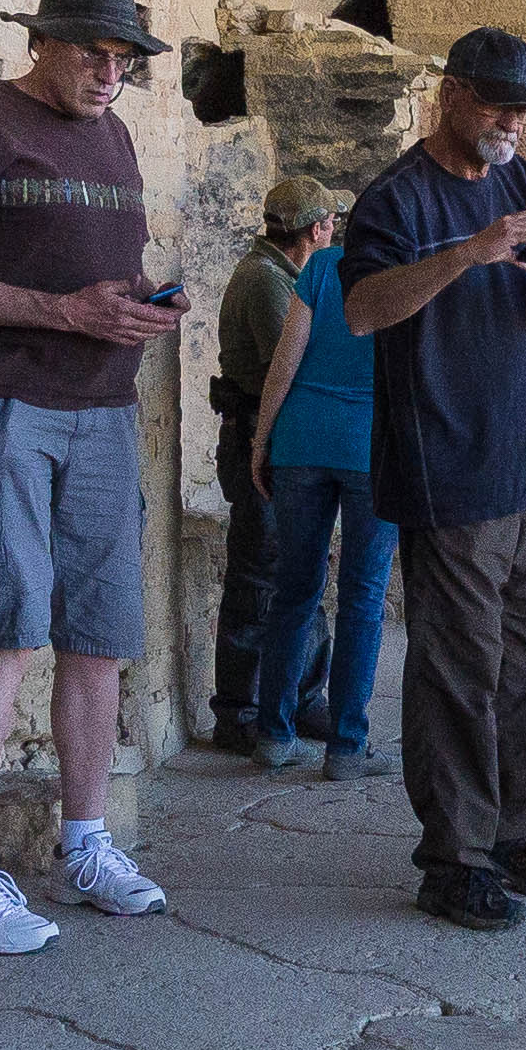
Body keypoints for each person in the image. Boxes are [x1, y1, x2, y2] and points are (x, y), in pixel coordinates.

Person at [0, 0, 181, 954]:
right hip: (5, 400)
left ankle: (86, 843)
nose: (111, 74)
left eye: (125, 59)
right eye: (95, 53)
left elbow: (101, 268)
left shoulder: (114, 137)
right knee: (8, 624)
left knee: (99, 634)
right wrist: (63, 311)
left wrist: (137, 304)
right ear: (44, 42)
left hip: (104, 406)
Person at [341, 29, 526, 926]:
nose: (513, 123)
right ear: (452, 94)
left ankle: (514, 834)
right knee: (460, 670)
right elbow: (362, 310)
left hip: (525, 465)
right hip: (446, 468)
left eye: (523, 110)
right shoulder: (395, 198)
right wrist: (469, 251)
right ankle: (453, 859)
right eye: (500, 106)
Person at [241, 203, 390, 780]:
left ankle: (274, 735)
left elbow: (286, 360)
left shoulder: (324, 266)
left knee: (294, 589)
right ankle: (347, 746)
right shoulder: (408, 276)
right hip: (371, 448)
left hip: (301, 440)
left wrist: (262, 440)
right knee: (363, 596)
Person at [198, 173, 323, 756]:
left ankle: (301, 698)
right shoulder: (268, 283)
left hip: (277, 438)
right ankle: (240, 712)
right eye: (331, 224)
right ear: (316, 230)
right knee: (259, 575)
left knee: (300, 568)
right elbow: (290, 370)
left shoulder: (277, 274)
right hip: (261, 438)